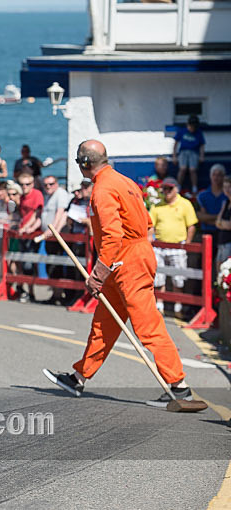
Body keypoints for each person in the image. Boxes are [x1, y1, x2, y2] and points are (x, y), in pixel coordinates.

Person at [44, 140, 192, 407]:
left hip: (126, 261)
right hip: (128, 258)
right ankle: (79, 377)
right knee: (104, 323)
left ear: (86, 164)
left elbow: (112, 236)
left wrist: (97, 275)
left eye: (79, 162)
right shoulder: (125, 182)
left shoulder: (102, 190)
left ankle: (179, 386)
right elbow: (146, 223)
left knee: (148, 325)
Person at [149, 177, 197, 316]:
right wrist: (150, 239)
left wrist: (187, 244)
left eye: (169, 188)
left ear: (176, 189)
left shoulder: (185, 204)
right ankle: (159, 306)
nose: (166, 191)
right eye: (164, 189)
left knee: (178, 278)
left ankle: (178, 307)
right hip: (160, 246)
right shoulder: (157, 206)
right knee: (158, 277)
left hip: (178, 246)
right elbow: (151, 225)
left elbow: (191, 226)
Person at [35, 175, 72, 303]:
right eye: (46, 185)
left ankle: (60, 293)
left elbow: (60, 213)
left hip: (57, 235)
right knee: (51, 264)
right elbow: (42, 215)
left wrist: (52, 230)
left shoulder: (60, 194)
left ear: (56, 183)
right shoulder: (47, 196)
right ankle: (55, 294)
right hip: (49, 237)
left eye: (51, 184)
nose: (48, 187)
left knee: (58, 265)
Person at [15, 169, 43, 302]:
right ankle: (23, 289)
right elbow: (21, 214)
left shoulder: (37, 194)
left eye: (27, 184)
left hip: (32, 234)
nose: (24, 187)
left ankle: (31, 292)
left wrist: (27, 227)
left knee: (29, 264)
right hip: (22, 233)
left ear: (32, 184)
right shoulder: (21, 197)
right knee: (19, 262)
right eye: (22, 184)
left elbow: (36, 214)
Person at [196, 164, 227, 257]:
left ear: (223, 177)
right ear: (210, 176)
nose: (216, 177)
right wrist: (220, 218)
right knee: (204, 262)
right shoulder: (202, 196)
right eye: (214, 174)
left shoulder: (228, 195)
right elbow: (200, 216)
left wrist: (209, 218)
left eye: (219, 175)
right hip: (207, 233)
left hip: (225, 234)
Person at [173, 115, 206, 194]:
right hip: (183, 152)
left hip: (194, 152)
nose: (192, 128)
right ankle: (178, 186)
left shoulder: (198, 132)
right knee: (183, 169)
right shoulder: (182, 131)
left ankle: (194, 188)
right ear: (188, 124)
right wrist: (174, 156)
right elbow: (175, 144)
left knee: (192, 170)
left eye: (194, 127)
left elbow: (202, 145)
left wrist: (202, 155)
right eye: (191, 126)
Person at [214, 175, 231, 267]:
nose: (227, 190)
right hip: (221, 242)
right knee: (219, 273)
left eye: (229, 187)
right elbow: (217, 222)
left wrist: (221, 223)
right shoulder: (225, 202)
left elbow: (229, 225)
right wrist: (222, 223)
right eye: (225, 187)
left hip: (229, 243)